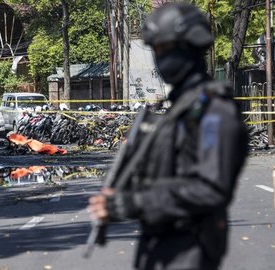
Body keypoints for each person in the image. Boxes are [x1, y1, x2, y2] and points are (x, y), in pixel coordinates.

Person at [87, 3, 249, 270]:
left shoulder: (214, 111)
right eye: (156, 51)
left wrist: (132, 203)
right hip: (161, 248)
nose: (160, 59)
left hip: (189, 251)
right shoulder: (181, 107)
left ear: (190, 46)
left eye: (165, 49)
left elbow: (209, 188)